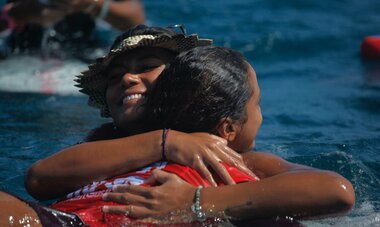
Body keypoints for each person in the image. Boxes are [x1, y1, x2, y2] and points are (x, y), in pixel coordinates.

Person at [0, 45, 354, 226]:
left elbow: (334, 191)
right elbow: (38, 179)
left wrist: (196, 203)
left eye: (146, 67)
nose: (127, 79)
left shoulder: (225, 155)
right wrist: (163, 140)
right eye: (117, 74)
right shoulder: (104, 141)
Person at [0, 0, 144, 60]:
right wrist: (21, 13)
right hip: (19, 53)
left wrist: (89, 4)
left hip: (87, 52)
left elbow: (136, 21)